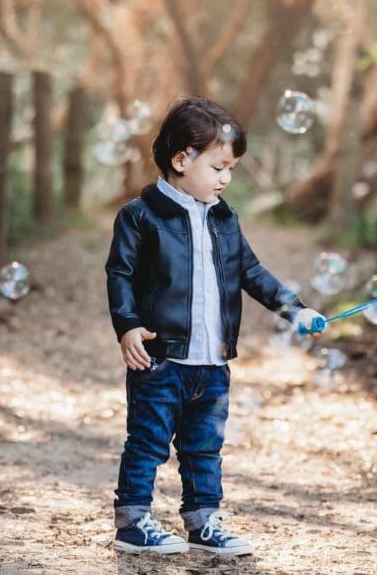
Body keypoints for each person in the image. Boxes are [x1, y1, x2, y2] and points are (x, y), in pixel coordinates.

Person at [105, 97, 324, 556]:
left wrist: (296, 310)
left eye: (232, 169)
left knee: (204, 448)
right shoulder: (140, 217)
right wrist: (127, 326)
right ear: (181, 159)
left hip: (212, 362)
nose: (226, 178)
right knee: (147, 442)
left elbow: (252, 273)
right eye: (219, 167)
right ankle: (133, 522)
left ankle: (203, 522)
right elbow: (120, 273)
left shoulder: (224, 219)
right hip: (160, 359)